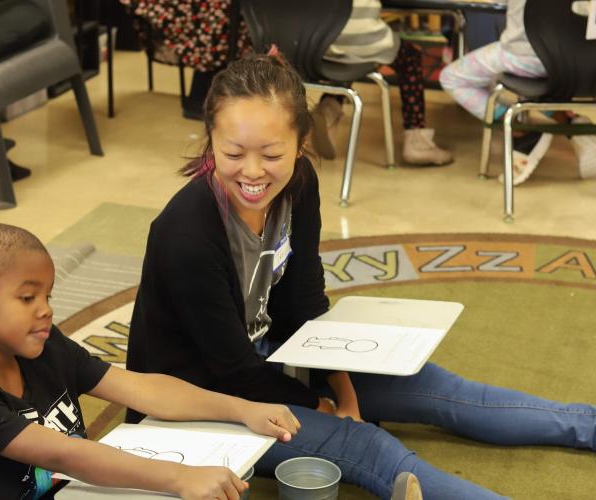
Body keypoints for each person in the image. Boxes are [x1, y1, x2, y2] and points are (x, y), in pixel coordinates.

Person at [125, 53, 596, 500]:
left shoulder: (299, 183)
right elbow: (233, 372)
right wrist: (330, 412)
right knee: (372, 451)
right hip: (202, 401)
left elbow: (305, 303)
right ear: (210, 141)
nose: (252, 172)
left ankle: (588, 425)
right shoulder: (186, 233)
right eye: (232, 152)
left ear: (300, 144)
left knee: (436, 388)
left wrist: (344, 391)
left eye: (271, 153)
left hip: (266, 361)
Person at [0, 222, 302, 500]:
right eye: (27, 298)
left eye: (48, 297)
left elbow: (141, 388)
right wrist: (181, 478)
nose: (46, 311)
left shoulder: (43, 345)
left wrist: (242, 409)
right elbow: (64, 454)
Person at [439, 0, 596, 185]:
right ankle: (575, 126)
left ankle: (522, 132)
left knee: (451, 77)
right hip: (585, 64)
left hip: (526, 57)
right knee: (536, 81)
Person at [312, 0, 452, 166]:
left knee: (346, 57)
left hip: (315, 42)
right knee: (409, 58)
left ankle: (329, 109)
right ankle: (416, 138)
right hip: (362, 39)